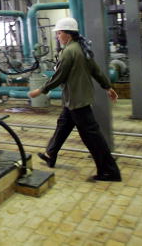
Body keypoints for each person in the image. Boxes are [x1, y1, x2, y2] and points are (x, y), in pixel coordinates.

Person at [28, 17, 122, 182]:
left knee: (92, 137)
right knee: (63, 125)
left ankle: (109, 171)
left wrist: (41, 90)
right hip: (74, 99)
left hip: (77, 102)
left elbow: (59, 76)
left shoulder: (69, 51)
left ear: (67, 34)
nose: (57, 36)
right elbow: (96, 70)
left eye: (59, 33)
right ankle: (51, 154)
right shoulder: (81, 48)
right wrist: (107, 87)